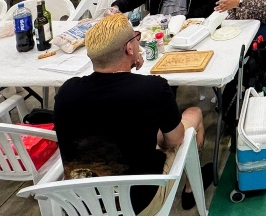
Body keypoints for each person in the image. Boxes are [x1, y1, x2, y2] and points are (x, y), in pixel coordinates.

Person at [53, 14, 210, 214]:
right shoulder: (153, 88)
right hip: (135, 204)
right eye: (136, 38)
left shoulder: (66, 91)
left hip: (80, 205)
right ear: (129, 48)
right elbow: (174, 140)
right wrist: (161, 139)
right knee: (194, 113)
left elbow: (111, 109)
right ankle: (190, 190)